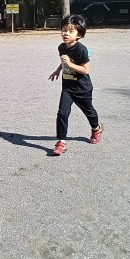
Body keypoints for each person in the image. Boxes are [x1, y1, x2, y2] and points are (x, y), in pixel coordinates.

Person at [48, 14, 103, 155]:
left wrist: (70, 64)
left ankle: (96, 129)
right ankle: (61, 142)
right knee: (62, 113)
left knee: (89, 111)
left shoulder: (81, 49)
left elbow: (85, 70)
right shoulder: (61, 47)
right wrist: (58, 70)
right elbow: (64, 62)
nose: (66, 33)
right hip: (67, 88)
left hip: (82, 88)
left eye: (70, 31)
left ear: (79, 35)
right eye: (64, 30)